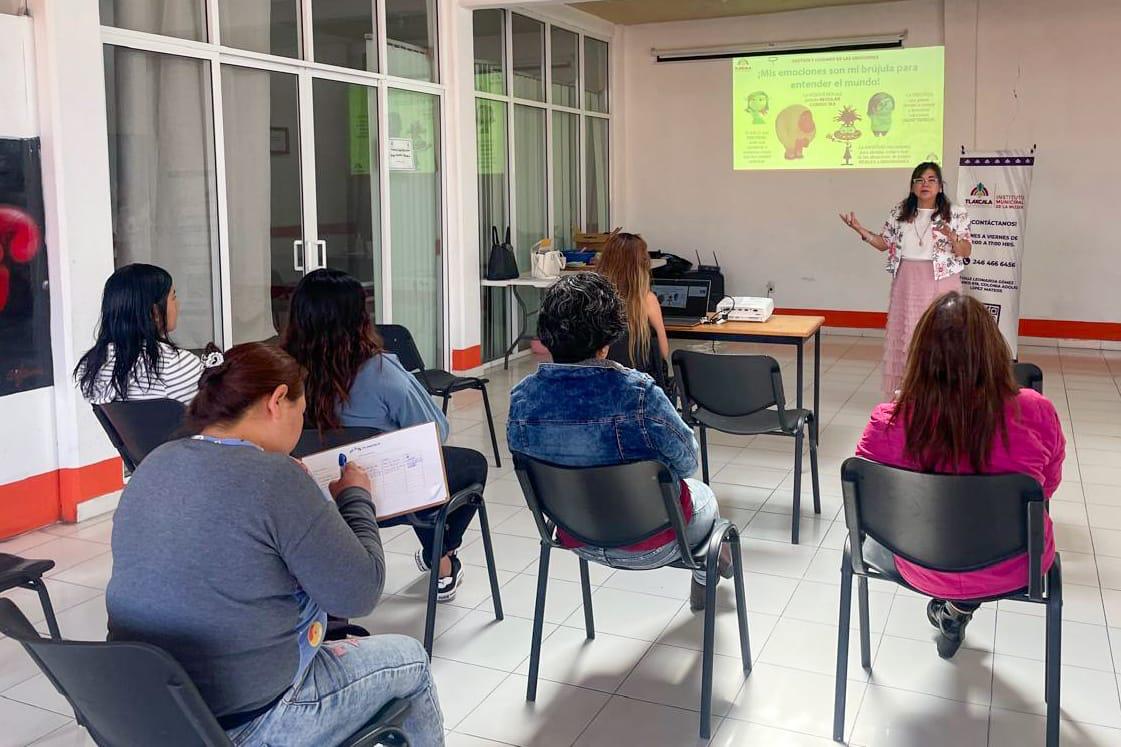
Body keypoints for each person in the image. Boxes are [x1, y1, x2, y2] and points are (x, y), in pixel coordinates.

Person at [106, 342, 444, 745]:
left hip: (152, 714)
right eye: (301, 412)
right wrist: (356, 497)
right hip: (249, 721)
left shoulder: (155, 461)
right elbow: (360, 592)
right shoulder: (276, 477)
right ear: (277, 400)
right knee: (413, 661)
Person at [855, 293, 1065, 659]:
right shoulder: (1036, 411)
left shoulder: (889, 420)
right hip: (1016, 565)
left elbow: (866, 497)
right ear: (994, 351)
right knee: (977, 541)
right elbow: (1047, 486)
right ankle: (958, 606)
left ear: (920, 356)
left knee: (942, 539)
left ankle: (955, 605)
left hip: (917, 562)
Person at [507, 272, 731, 611]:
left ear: (547, 336)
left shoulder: (522, 399)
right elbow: (688, 462)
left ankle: (710, 564)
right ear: (607, 340)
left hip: (573, 536)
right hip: (652, 542)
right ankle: (706, 570)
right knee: (705, 497)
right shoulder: (639, 394)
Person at [282, 268, 485, 602]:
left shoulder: (283, 373)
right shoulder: (380, 371)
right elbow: (435, 432)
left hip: (313, 498)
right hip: (386, 500)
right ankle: (442, 558)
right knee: (463, 465)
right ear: (359, 319)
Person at [839, 161, 973, 400]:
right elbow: (884, 244)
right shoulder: (900, 213)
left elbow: (965, 251)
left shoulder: (956, 213)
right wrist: (861, 230)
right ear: (912, 187)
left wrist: (952, 236)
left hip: (942, 280)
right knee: (908, 336)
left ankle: (942, 393)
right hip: (908, 280)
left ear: (940, 187)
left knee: (942, 335)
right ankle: (909, 392)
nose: (925, 184)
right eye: (919, 180)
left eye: (931, 180)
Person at [74, 263, 204, 404]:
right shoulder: (175, 365)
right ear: (155, 312)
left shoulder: (93, 365)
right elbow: (210, 413)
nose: (178, 304)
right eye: (173, 297)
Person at [596, 231, 672, 395]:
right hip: (640, 392)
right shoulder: (647, 300)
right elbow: (663, 352)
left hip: (601, 390)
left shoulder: (593, 299)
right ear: (642, 266)